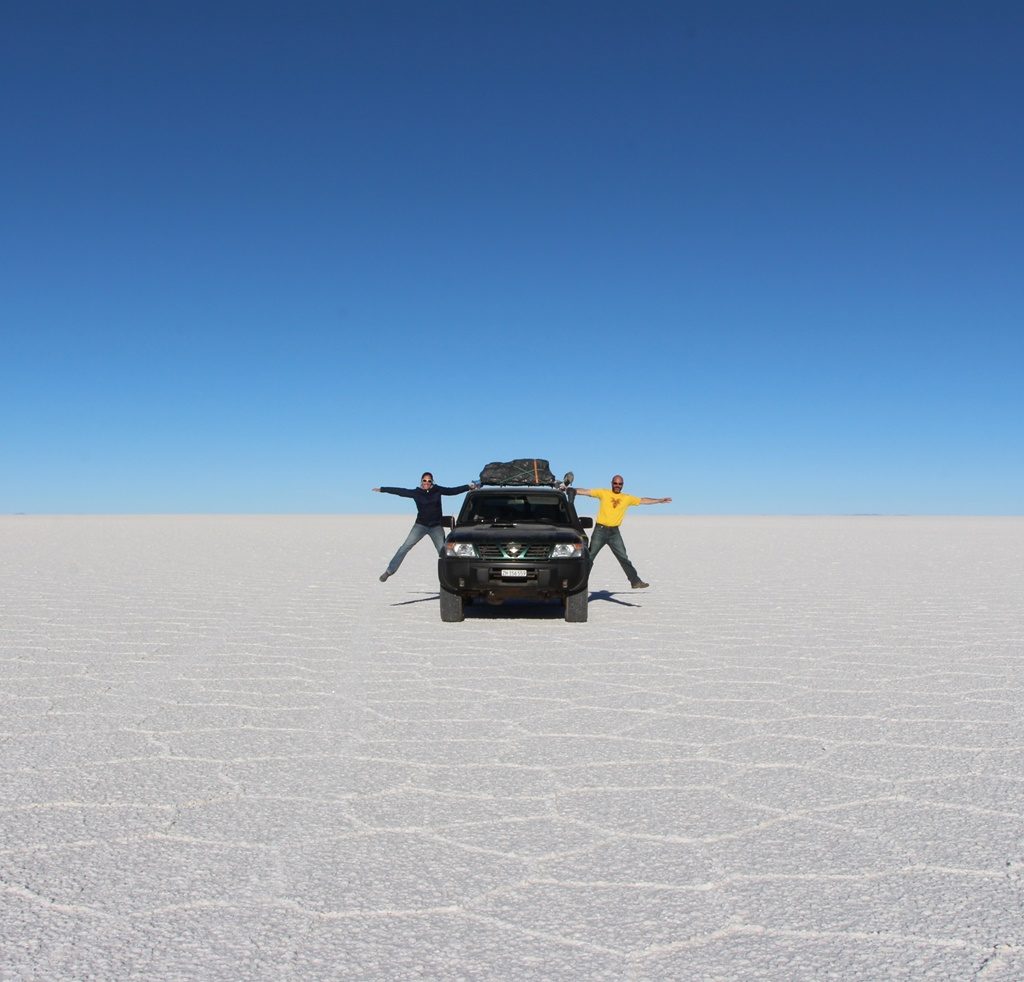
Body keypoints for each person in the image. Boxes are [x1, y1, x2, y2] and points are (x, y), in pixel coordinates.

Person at [373, 473, 477, 581]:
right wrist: (382, 489)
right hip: (420, 526)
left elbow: (452, 491)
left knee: (444, 551)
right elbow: (400, 491)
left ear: (432, 482)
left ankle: (453, 577)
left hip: (436, 527)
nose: (426, 483)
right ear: (421, 481)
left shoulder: (437, 490)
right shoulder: (416, 493)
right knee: (405, 547)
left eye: (429, 481)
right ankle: (389, 571)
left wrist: (468, 487)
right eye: (424, 480)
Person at [573, 475, 671, 589]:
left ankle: (635, 581)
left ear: (622, 485)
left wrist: (659, 500)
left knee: (623, 557)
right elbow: (586, 491)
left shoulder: (627, 498)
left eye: (620, 484)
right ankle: (578, 584)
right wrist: (571, 490)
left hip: (614, 532)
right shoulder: (603, 493)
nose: (617, 486)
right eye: (615, 483)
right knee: (589, 557)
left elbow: (643, 500)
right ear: (611, 483)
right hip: (600, 530)